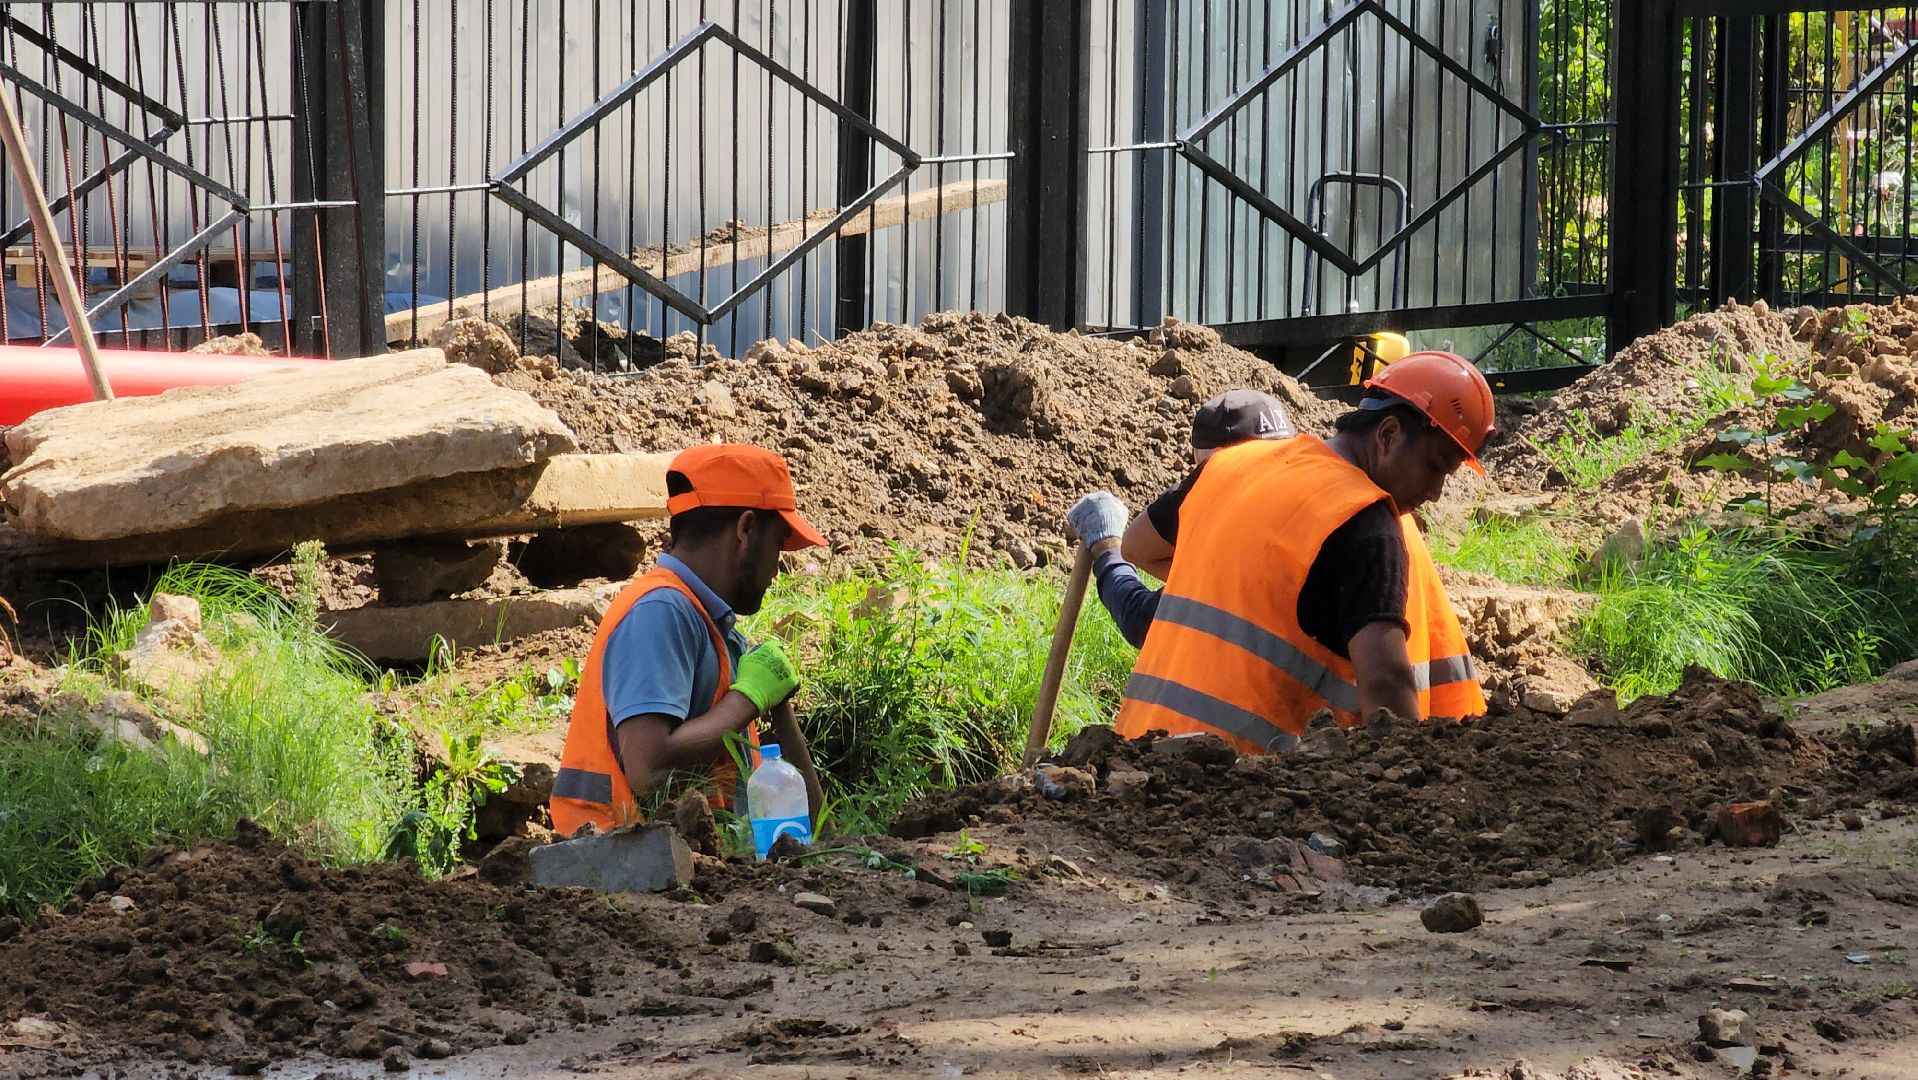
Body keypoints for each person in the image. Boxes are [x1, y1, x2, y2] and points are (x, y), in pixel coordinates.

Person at [1113, 351, 1493, 754]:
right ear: (1388, 434)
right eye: (1435, 467)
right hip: (1238, 792)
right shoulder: (1368, 523)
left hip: (1137, 764)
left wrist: (1238, 582)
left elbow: (1136, 546)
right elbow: (1385, 683)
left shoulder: (1233, 465)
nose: (1435, 492)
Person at [550, 443, 827, 836]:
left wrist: (775, 704)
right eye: (778, 543)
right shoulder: (661, 610)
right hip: (620, 871)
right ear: (745, 529)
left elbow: (806, 823)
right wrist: (748, 700)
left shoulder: (707, 622)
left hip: (668, 873)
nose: (778, 568)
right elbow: (649, 768)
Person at [1066, 389, 1296, 647]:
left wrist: (1106, 546)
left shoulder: (1219, 486)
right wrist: (1207, 584)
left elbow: (1142, 614)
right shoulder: (1315, 492)